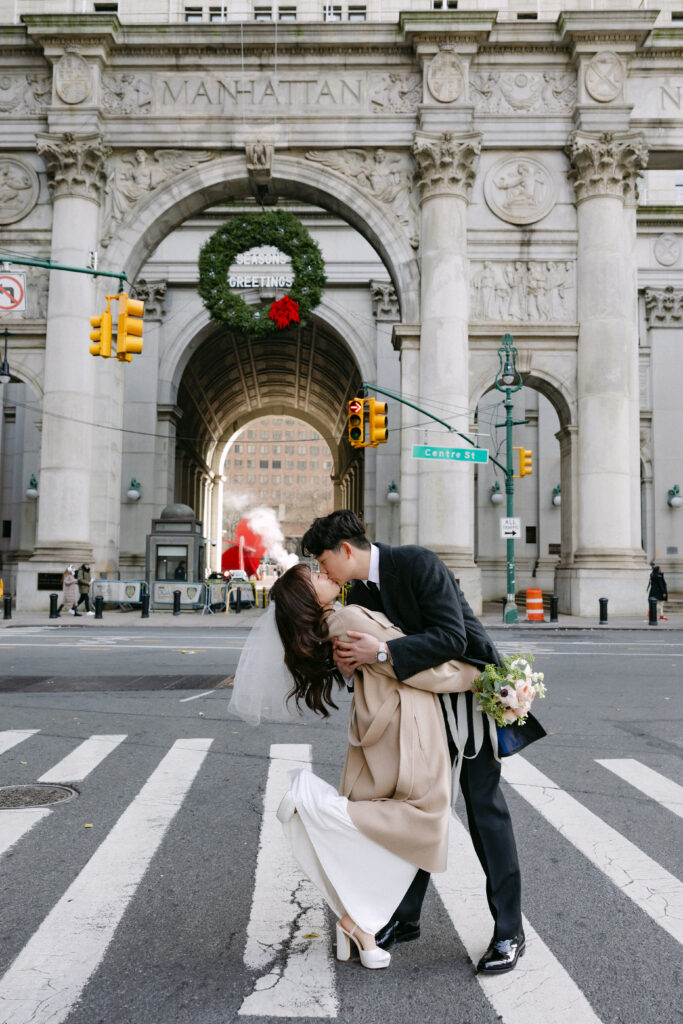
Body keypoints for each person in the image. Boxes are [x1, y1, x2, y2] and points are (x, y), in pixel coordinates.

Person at [301, 510, 542, 974]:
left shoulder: (416, 563)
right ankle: (405, 918)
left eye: (323, 559)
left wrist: (383, 651)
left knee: (485, 810)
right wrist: (353, 666)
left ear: (345, 550)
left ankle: (510, 931)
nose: (322, 570)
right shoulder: (354, 590)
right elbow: (369, 658)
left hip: (465, 698)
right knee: (412, 807)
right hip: (417, 709)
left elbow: (453, 637)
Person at [252, 562, 479, 971]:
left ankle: (359, 927)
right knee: (425, 818)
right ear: (309, 597)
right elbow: (418, 663)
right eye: (315, 576)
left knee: (388, 838)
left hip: (384, 719)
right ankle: (315, 804)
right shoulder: (349, 617)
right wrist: (476, 675)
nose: (324, 572)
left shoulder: (338, 620)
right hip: (405, 720)